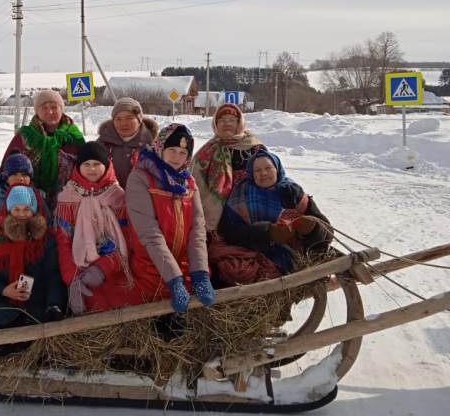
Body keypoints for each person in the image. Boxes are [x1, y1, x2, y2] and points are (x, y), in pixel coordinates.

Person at [125, 124, 215, 313]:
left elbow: (196, 229)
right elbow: (149, 233)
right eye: (172, 150)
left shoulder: (188, 181)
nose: (177, 158)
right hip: (149, 267)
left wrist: (200, 273)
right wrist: (173, 279)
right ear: (160, 148)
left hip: (183, 264)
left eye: (183, 152)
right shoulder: (141, 178)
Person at [213, 149, 333, 285]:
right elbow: (228, 231)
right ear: (251, 174)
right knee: (234, 272)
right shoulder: (240, 196)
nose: (263, 173)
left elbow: (327, 232)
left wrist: (312, 227)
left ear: (277, 169)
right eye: (257, 170)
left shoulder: (293, 193)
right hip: (249, 252)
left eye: (268, 168)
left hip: (289, 255)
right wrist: (268, 232)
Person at [55, 141, 138, 314]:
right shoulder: (67, 199)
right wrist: (73, 279)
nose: (92, 169)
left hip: (114, 268)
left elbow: (127, 241)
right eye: (86, 164)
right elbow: (63, 241)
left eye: (96, 164)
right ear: (78, 167)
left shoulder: (118, 198)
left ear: (106, 166)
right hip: (80, 270)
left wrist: (102, 268)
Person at [0, 185, 66, 334]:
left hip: (37, 306)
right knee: (4, 344)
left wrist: (53, 305)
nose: (22, 214)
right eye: (17, 209)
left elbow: (53, 275)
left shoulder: (45, 239)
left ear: (34, 210)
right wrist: (3, 290)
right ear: (9, 210)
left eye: (27, 209)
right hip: (4, 308)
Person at [2, 89, 85, 210]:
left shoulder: (74, 138)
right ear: (37, 111)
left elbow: (87, 169)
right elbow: (6, 172)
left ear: (62, 109)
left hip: (69, 206)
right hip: (28, 206)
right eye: (44, 108)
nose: (49, 111)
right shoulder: (25, 137)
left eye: (54, 107)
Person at [191, 103, 265, 232]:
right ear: (215, 124)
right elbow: (193, 181)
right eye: (222, 120)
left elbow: (269, 175)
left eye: (232, 120)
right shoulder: (208, 150)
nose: (227, 124)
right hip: (215, 212)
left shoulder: (254, 147)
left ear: (239, 123)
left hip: (252, 206)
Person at [0, 151, 43, 245]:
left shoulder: (38, 200)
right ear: (7, 178)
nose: (20, 178)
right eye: (14, 174)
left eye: (24, 174)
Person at [96, 97, 159, 188]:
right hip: (109, 199)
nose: (123, 123)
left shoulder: (153, 145)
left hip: (142, 199)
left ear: (139, 120)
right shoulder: (102, 144)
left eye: (129, 118)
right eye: (118, 119)